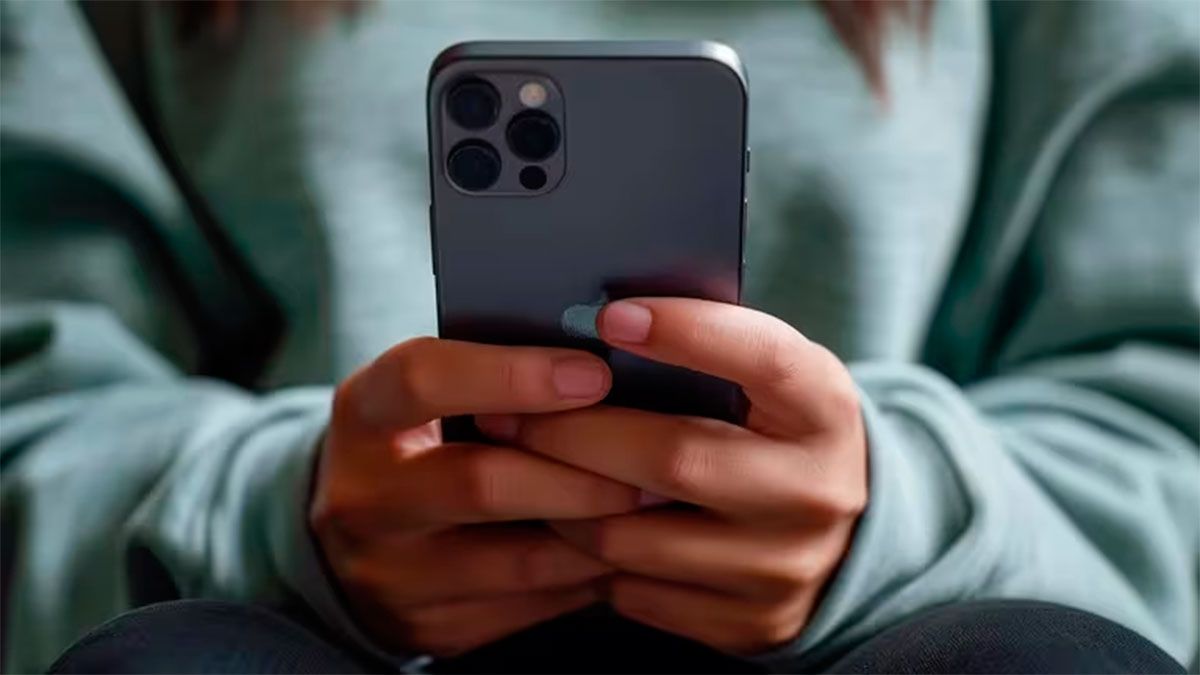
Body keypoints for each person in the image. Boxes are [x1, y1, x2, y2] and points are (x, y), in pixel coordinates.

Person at [1, 0, 1196, 672]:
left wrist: (901, 509)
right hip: (324, 637)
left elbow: (1164, 413)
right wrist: (282, 513)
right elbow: (33, 404)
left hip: (899, 634)